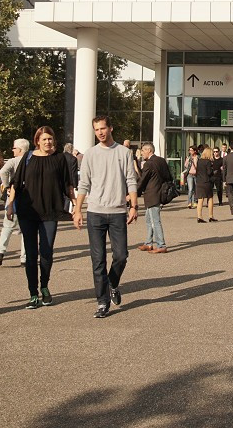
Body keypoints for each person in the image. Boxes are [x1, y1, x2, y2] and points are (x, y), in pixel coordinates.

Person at [75, 116, 139, 318]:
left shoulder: (123, 152)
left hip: (118, 211)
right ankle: (102, 302)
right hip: (95, 212)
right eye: (96, 130)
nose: (100, 132)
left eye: (103, 128)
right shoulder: (90, 155)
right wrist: (77, 210)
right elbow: (83, 183)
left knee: (121, 255)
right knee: (98, 260)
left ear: (111, 128)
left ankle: (112, 282)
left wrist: (134, 206)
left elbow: (131, 180)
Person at [7, 126, 75, 309]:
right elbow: (16, 183)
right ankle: (32, 293)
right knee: (30, 254)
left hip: (50, 211)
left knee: (46, 252)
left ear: (54, 140)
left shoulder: (60, 158)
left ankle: (44, 286)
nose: (47, 142)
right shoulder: (28, 157)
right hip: (28, 212)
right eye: (44, 139)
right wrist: (10, 205)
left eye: (50, 139)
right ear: (37, 140)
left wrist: (76, 206)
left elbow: (68, 185)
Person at [0, 139, 28, 266]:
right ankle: (24, 258)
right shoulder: (31, 160)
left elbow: (3, 171)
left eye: (14, 148)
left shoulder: (13, 161)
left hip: (13, 196)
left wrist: (7, 185)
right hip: (28, 198)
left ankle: (0, 252)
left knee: (7, 226)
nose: (12, 150)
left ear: (19, 149)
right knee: (26, 229)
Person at [137, 142, 170, 254]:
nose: (142, 153)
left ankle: (161, 245)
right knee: (148, 219)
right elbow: (168, 176)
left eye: (143, 151)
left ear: (148, 150)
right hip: (157, 193)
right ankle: (148, 243)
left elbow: (143, 180)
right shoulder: (161, 160)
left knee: (155, 220)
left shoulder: (149, 164)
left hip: (152, 194)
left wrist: (133, 193)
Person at [195, 147, 218, 223]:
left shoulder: (199, 161)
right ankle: (211, 216)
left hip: (199, 182)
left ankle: (199, 216)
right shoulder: (208, 162)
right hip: (207, 182)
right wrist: (213, 172)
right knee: (210, 198)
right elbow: (209, 173)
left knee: (200, 199)